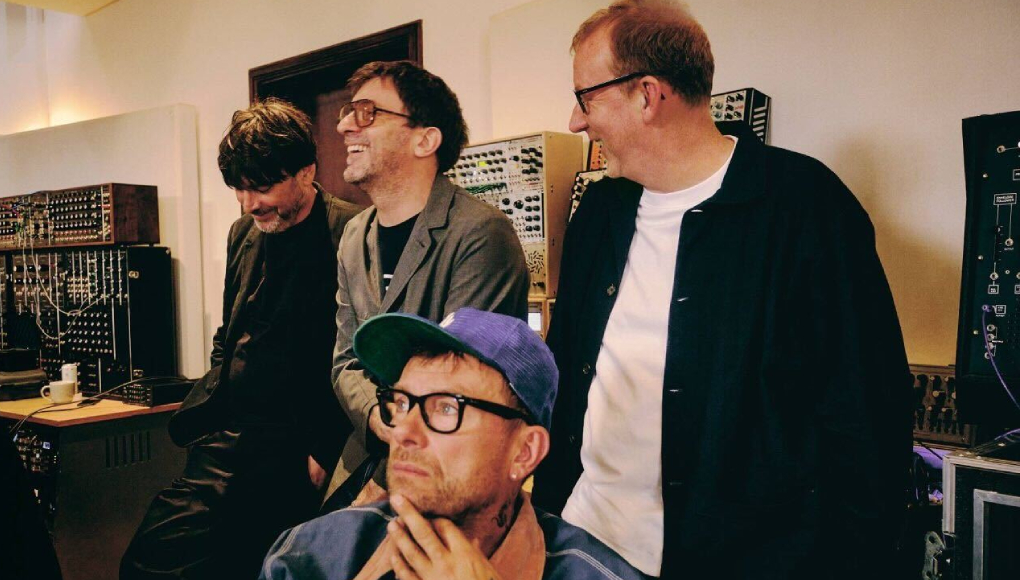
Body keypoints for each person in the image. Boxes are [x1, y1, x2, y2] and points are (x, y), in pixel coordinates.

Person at [532, 1, 911, 578]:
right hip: (584, 543)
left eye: (586, 98)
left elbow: (868, 417)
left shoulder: (806, 208)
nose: (576, 121)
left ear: (647, 95)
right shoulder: (599, 212)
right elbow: (564, 371)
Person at [120, 98, 362, 580]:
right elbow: (229, 331)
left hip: (301, 442)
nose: (250, 203)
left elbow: (361, 354)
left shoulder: (352, 233)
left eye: (262, 186)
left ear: (306, 171)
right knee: (147, 561)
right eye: (239, 188)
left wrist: (324, 447)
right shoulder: (242, 233)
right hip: (231, 436)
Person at [260, 308, 648, 580]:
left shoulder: (596, 573)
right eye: (401, 403)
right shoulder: (310, 556)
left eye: (446, 407)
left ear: (524, 452)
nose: (403, 432)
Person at [328, 61, 529, 500]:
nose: (344, 126)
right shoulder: (354, 235)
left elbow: (462, 383)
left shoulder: (480, 234)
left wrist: (386, 482)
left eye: (367, 113)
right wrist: (379, 419)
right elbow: (345, 361)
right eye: (347, 112)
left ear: (425, 140)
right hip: (364, 454)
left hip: (446, 475)